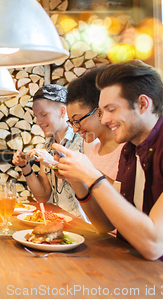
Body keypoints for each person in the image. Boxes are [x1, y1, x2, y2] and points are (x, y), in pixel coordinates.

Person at [53, 60, 163, 285]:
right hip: (138, 274)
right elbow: (106, 226)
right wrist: (78, 179)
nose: (104, 119)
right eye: (101, 112)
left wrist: (92, 176)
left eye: (110, 110)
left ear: (142, 104)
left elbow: (154, 244)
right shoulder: (131, 150)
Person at [12, 84, 87, 219]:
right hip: (61, 222)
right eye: (36, 116)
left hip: (84, 226)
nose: (38, 121)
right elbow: (43, 196)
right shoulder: (48, 148)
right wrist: (25, 166)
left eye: (43, 114)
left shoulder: (84, 141)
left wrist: (53, 164)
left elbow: (91, 187)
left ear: (62, 112)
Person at [63, 68, 125, 232]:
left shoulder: (127, 150)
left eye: (77, 121)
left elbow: (121, 211)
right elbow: (102, 225)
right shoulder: (95, 150)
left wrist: (88, 172)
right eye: (71, 123)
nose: (75, 129)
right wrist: (75, 181)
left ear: (99, 111)